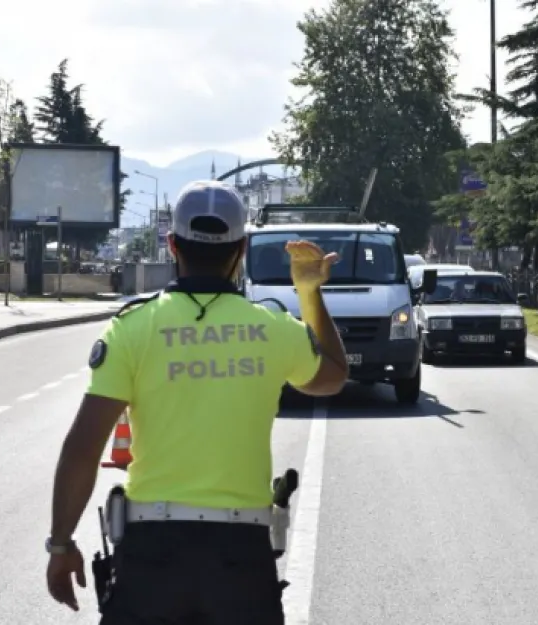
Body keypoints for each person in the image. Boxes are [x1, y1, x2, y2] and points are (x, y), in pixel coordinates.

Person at [44, 180, 348, 624]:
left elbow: (83, 447)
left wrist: (61, 543)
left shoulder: (132, 329)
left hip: (152, 556)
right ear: (241, 249)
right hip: (240, 558)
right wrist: (309, 292)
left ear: (171, 245)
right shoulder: (272, 328)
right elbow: (333, 378)